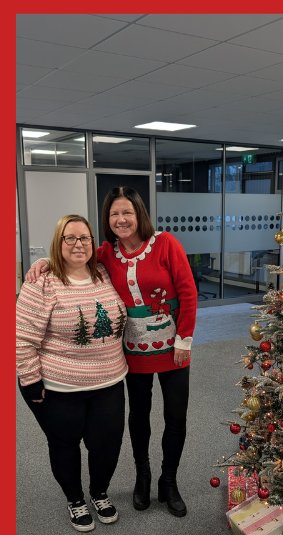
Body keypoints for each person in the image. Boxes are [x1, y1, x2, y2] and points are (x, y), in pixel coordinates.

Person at [28, 189, 199, 515]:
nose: (121, 220)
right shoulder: (106, 253)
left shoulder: (166, 244)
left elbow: (189, 292)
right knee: (139, 417)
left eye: (127, 213)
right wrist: (42, 261)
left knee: (176, 417)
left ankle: (169, 481)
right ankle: (143, 477)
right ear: (107, 220)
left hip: (175, 349)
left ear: (140, 216)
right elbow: (72, 257)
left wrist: (184, 340)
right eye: (114, 215)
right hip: (133, 353)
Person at [15, 214, 127, 532]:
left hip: (109, 381)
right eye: (70, 238)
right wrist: (31, 380)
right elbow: (21, 338)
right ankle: (75, 499)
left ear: (93, 243)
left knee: (107, 444)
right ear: (59, 242)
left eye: (85, 238)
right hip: (59, 386)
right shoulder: (42, 282)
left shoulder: (103, 273)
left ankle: (99, 493)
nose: (78, 244)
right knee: (64, 445)